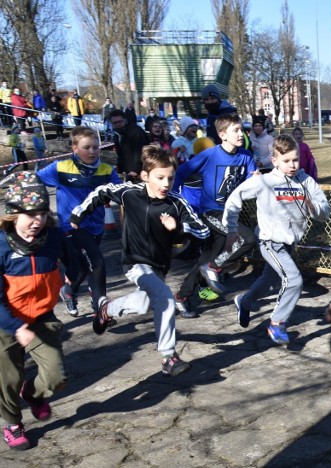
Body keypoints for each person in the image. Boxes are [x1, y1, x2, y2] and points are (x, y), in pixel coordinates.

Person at [69, 146, 210, 376]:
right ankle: (168, 357)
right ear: (145, 176)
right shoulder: (130, 193)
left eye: (170, 178)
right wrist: (79, 213)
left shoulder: (176, 204)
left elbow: (202, 231)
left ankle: (107, 309)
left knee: (146, 303)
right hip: (135, 261)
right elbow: (102, 191)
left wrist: (178, 229)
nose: (166, 184)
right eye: (160, 178)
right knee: (164, 299)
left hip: (159, 265)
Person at [0, 171, 79, 451]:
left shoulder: (53, 237)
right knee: (8, 377)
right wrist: (14, 326)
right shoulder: (1, 245)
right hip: (6, 320)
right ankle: (12, 423)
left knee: (57, 376)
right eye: (30, 214)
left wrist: (69, 276)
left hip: (42, 316)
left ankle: (32, 394)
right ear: (12, 214)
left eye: (43, 213)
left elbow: (73, 261)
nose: (38, 221)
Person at [226, 134, 330, 345]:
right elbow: (234, 198)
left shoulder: (306, 181)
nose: (292, 165)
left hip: (290, 243)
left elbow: (325, 212)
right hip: (269, 241)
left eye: (295, 160)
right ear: (274, 161)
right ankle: (277, 323)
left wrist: (313, 206)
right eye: (286, 161)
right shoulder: (263, 181)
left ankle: (244, 302)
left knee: (269, 281)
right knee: (294, 280)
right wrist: (231, 229)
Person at [173, 113, 258, 315]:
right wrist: (175, 200)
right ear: (222, 134)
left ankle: (181, 297)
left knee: (206, 259)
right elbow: (181, 172)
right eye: (235, 130)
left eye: (241, 129)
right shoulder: (209, 155)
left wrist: (256, 179)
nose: (240, 134)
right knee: (247, 238)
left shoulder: (246, 156)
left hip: (230, 213)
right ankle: (215, 267)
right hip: (210, 211)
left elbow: (252, 182)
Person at [37, 126, 121, 317]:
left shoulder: (107, 170)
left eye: (95, 147)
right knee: (97, 262)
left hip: (96, 226)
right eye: (86, 147)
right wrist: (42, 208)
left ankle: (68, 291)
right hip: (71, 226)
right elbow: (34, 181)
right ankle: (101, 308)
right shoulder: (60, 168)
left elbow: (120, 193)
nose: (92, 151)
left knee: (83, 266)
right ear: (74, 148)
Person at [109, 108, 150, 182]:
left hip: (139, 172)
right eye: (115, 123)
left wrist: (136, 169)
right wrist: (120, 167)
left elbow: (141, 151)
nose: (118, 124)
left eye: (120, 122)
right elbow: (120, 154)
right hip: (128, 171)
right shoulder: (117, 134)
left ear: (125, 120)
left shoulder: (136, 132)